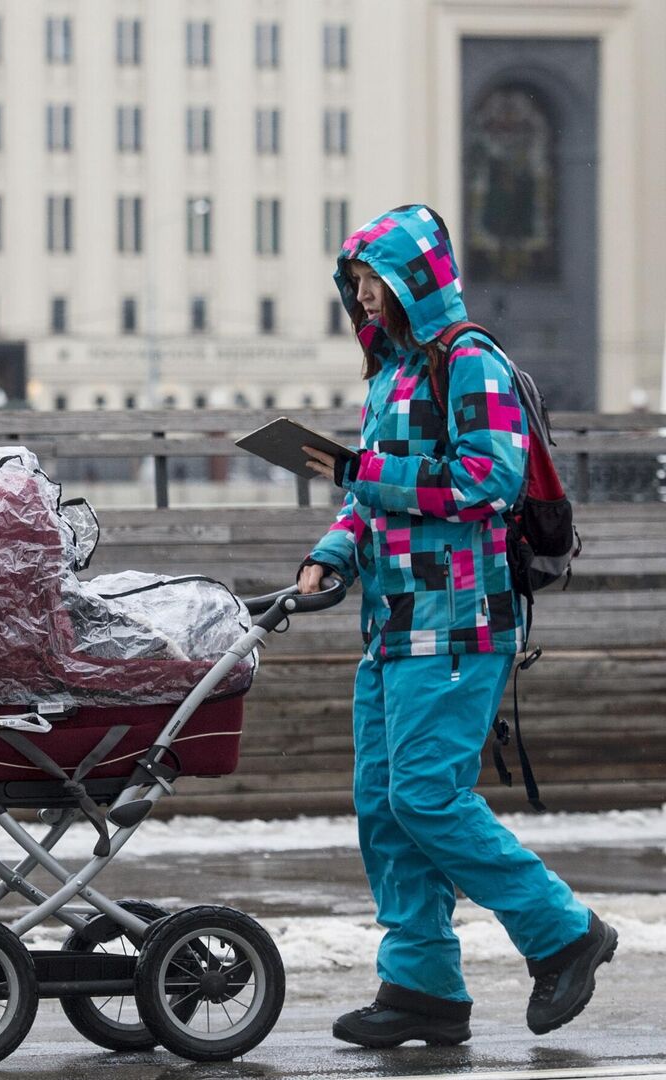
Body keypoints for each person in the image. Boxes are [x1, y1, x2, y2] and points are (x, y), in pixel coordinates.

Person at [294, 204, 616, 1048]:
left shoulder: (469, 362)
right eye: (355, 284)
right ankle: (422, 986)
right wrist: (330, 554)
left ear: (415, 285)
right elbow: (372, 498)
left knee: (428, 798)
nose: (363, 299)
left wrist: (367, 471)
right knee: (385, 807)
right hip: (393, 624)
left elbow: (487, 478)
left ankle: (564, 934)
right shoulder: (391, 375)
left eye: (375, 284)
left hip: (460, 623)